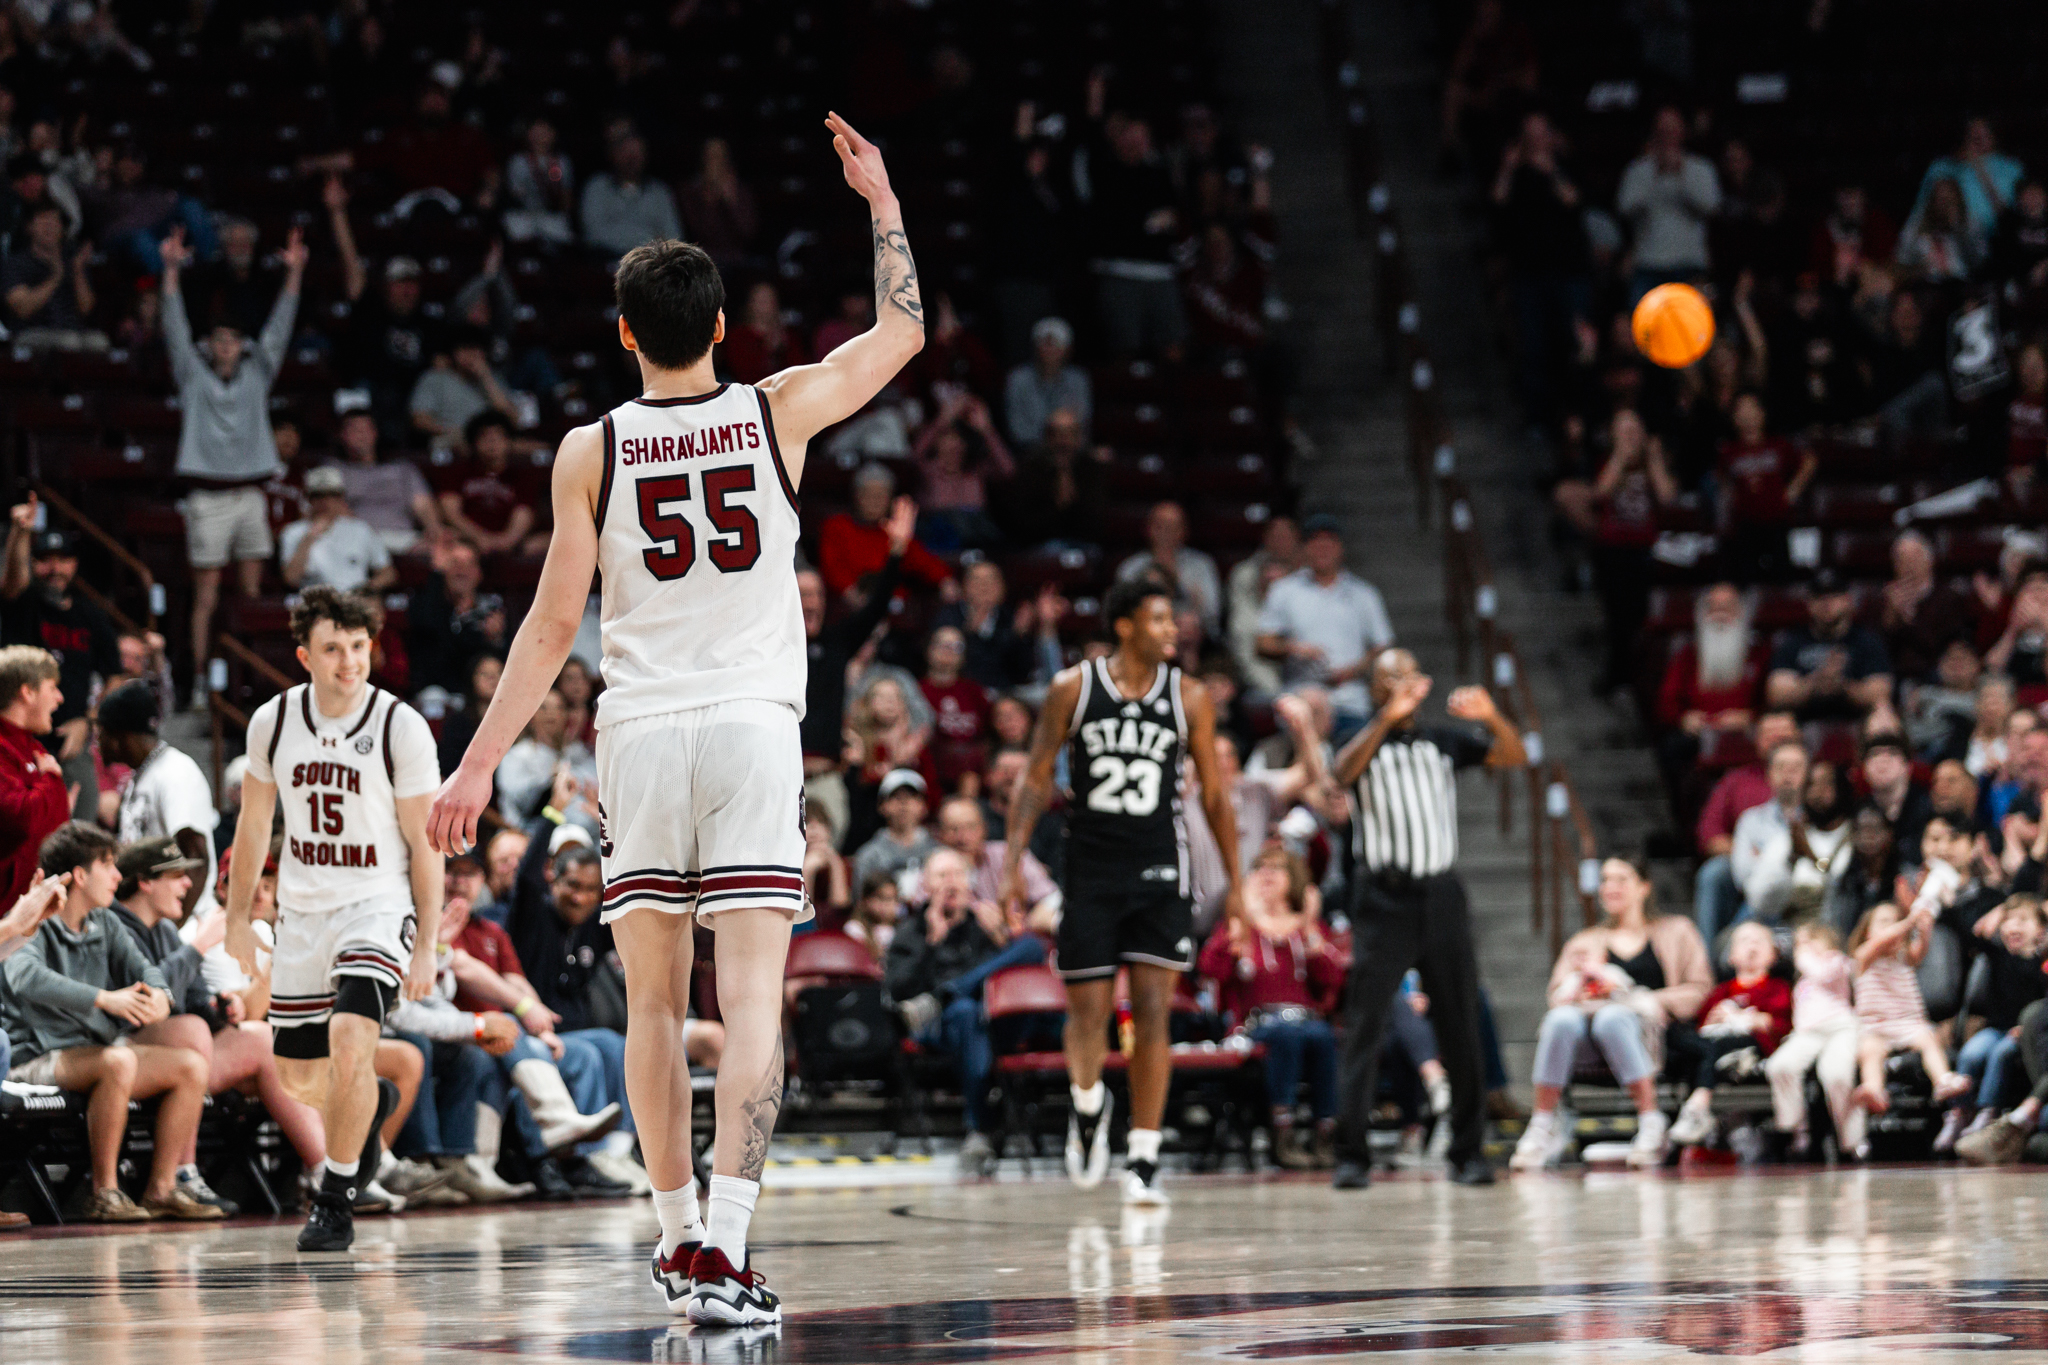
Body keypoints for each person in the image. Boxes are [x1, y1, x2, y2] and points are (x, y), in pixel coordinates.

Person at [427, 112, 926, 1327]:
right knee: (748, 1001)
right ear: (719, 330)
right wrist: (879, 202)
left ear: (622, 334)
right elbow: (903, 333)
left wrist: (476, 766)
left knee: (652, 1004)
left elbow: (550, 627)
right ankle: (730, 1249)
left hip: (639, 736)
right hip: (749, 729)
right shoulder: (773, 410)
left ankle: (677, 1239)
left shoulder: (587, 450)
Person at [1001, 578, 1244, 1207]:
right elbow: (1035, 778)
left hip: (1160, 866)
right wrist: (1011, 863)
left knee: (1154, 1012)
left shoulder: (1189, 695)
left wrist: (1237, 884)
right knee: (1089, 1013)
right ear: (1127, 625)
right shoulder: (1073, 688)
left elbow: (1215, 796)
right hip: (1090, 869)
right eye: (1160, 619)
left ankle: (1143, 1155)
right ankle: (1088, 1106)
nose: (1173, 630)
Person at [222, 587, 444, 1252]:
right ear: (303, 656)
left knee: (352, 1037)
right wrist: (237, 917)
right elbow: (253, 824)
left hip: (376, 906)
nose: (349, 661)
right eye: (332, 649)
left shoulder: (400, 725)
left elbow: (424, 842)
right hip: (302, 912)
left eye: (357, 646)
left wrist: (427, 943)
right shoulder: (273, 722)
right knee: (299, 1075)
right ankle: (367, 1102)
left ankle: (336, 1198)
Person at [1323, 649, 1527, 1187]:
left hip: (1439, 896)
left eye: (1408, 674)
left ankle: (1468, 1151)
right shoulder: (1361, 741)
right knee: (1365, 1023)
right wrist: (1383, 720)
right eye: (1388, 677)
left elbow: (1512, 755)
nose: (1400, 684)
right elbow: (1341, 774)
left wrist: (1491, 716)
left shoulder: (1441, 742)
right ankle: (1351, 1155)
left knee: (1460, 1020)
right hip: (1382, 898)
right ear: (1374, 689)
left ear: (1422, 682)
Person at [1, 822, 219, 1220]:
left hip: (91, 1054)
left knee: (191, 1067)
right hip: (34, 1056)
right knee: (118, 1061)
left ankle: (161, 1189)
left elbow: (145, 969)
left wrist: (160, 997)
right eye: (108, 865)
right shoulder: (36, 919)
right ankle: (104, 1192)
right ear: (81, 875)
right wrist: (103, 999)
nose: (119, 876)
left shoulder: (106, 922)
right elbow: (23, 977)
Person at [108, 835, 327, 1213]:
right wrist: (197, 947)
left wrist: (223, 1009)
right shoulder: (114, 926)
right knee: (192, 1030)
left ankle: (324, 1174)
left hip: (181, 1056)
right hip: (122, 1056)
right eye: (176, 875)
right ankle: (182, 1173)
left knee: (262, 1037)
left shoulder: (163, 930)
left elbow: (194, 1001)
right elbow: (145, 1000)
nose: (188, 884)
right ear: (145, 882)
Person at [161, 224, 307, 694]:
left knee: (252, 594)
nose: (225, 345)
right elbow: (174, 328)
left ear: (242, 345)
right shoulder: (192, 374)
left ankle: (251, 680)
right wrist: (170, 270)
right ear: (208, 344)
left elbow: (279, 329)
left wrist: (295, 273)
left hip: (250, 494)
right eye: (218, 339)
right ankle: (201, 683)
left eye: (233, 339)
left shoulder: (257, 373)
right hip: (207, 496)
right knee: (205, 595)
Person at [1509, 856, 1712, 1171]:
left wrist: (1647, 1000)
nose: (1610, 887)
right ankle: (1542, 1124)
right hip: (1588, 1041)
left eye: (1621, 879)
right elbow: (1557, 994)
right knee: (1560, 1020)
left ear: (1643, 887)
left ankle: (1651, 1120)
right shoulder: (1584, 941)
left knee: (1613, 1018)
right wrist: (1577, 993)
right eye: (1605, 879)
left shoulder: (1678, 931)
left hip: (1651, 1037)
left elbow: (1700, 988)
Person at [884, 846, 1052, 1177]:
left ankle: (947, 994)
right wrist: (931, 944)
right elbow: (898, 991)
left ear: (970, 883)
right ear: (925, 886)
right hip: (937, 1025)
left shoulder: (983, 924)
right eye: (942, 876)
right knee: (965, 1011)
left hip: (995, 1017)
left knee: (1032, 945)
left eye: (958, 874)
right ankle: (980, 1127)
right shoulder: (912, 930)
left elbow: (1016, 964)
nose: (951, 883)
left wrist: (1001, 936)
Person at [1197, 847, 1345, 1168]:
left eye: (1276, 868)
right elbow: (1210, 970)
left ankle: (1325, 1133)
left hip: (1305, 1019)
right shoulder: (1241, 927)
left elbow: (1332, 980)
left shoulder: (1306, 928)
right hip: (1257, 1023)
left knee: (1324, 1038)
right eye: (1260, 868)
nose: (1267, 874)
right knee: (1285, 1035)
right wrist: (1237, 930)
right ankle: (1283, 1134)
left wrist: (1309, 930)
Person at [0, 514, 119, 817]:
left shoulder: (90, 615)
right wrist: (20, 532)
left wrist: (89, 721)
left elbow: (116, 676)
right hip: (20, 738)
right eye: (45, 560)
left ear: (75, 564)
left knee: (80, 828)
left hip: (71, 743)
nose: (55, 569)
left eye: (63, 559)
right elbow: (12, 583)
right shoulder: (23, 604)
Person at [1848, 900, 1972, 1152]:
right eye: (1884, 922)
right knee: (1870, 1051)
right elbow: (1880, 942)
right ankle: (1874, 1090)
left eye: (1895, 922)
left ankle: (1943, 1079)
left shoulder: (1903, 957)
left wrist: (1924, 929)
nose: (1893, 928)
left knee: (1928, 1039)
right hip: (1875, 1026)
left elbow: (1920, 951)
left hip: (1908, 1023)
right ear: (1867, 932)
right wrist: (1909, 921)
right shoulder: (1863, 957)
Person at [1254, 513, 1394, 733]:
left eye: (1329, 543)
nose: (1322, 549)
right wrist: (1293, 648)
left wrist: (1354, 669)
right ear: (1304, 548)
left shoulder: (1363, 594)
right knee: (1307, 716)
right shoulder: (1284, 590)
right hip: (1302, 697)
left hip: (1351, 700)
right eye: (1315, 543)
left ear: (1340, 547)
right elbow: (1262, 643)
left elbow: (1382, 645)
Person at [98, 679, 218, 918]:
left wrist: (175, 930)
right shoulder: (143, 775)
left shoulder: (176, 773)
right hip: (152, 920)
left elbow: (196, 858)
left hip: (186, 921)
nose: (98, 741)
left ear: (120, 735)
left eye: (102, 733)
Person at [1666, 922, 1792, 1147]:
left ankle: (1697, 1106)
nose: (1752, 946)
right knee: (1676, 1033)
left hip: (1748, 1042)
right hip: (1713, 1042)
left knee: (1718, 1047)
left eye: (1759, 941)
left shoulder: (1777, 987)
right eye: (1744, 941)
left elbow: (1778, 1025)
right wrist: (1714, 1019)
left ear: (1774, 955)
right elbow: (1702, 1025)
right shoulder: (1721, 991)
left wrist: (1746, 1019)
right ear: (1731, 956)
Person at [1764, 922, 1862, 1158]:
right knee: (1780, 1066)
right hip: (1807, 1034)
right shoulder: (1802, 979)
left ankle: (1853, 1142)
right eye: (1800, 943)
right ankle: (1795, 1130)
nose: (1804, 947)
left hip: (1840, 1028)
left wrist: (1804, 957)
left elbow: (1823, 975)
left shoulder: (1838, 961)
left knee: (1836, 1074)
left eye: (1811, 940)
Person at [1616, 105, 1721, 298]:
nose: (1667, 136)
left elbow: (1711, 207)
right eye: (1662, 130)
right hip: (1648, 263)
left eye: (1672, 129)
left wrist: (1680, 174)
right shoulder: (1638, 169)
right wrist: (1656, 175)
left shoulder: (1701, 168)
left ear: (1683, 131)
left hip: (1689, 262)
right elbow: (1625, 208)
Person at [1765, 570, 1894, 721]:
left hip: (1858, 722)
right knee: (1775, 721)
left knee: (1884, 718)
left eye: (1834, 595)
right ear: (1809, 603)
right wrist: (1816, 682)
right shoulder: (1793, 641)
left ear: (1848, 600)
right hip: (1802, 723)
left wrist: (1842, 685)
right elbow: (1776, 694)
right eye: (1819, 596)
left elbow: (1881, 694)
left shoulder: (1867, 640)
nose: (1827, 603)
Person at [0, 642, 71, 903]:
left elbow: (57, 828)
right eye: (52, 688)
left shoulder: (35, 749)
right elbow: (21, 819)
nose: (60, 698)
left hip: (39, 906)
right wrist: (50, 780)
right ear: (27, 692)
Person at [279, 466, 396, 592]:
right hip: (317, 598)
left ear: (341, 498)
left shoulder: (360, 529)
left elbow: (388, 573)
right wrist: (309, 538)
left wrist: (368, 589)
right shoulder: (293, 532)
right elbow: (291, 579)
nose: (325, 501)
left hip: (355, 597)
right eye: (318, 495)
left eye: (332, 495)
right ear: (308, 498)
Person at [1115, 501, 1222, 636]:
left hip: (1191, 635)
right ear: (1148, 529)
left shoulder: (1201, 565)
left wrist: (1175, 579)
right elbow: (1121, 612)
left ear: (1184, 531)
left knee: (1188, 626)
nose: (1166, 533)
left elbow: (1212, 613)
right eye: (1160, 526)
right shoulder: (1131, 568)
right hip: (1144, 633)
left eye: (1173, 527)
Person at [579, 131, 681, 259]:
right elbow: (593, 235)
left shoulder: (659, 192)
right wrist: (650, 240)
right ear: (612, 155)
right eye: (625, 152)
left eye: (637, 153)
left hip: (650, 264)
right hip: (607, 260)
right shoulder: (597, 188)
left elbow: (674, 237)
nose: (631, 158)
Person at [849, 769, 938, 905]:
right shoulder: (868, 857)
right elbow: (861, 904)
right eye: (896, 797)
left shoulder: (938, 853)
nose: (904, 804)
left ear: (924, 806)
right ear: (882, 806)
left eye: (912, 797)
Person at [1003, 316, 1092, 445]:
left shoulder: (1078, 379)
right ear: (1035, 347)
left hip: (1070, 449)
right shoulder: (1017, 378)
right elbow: (1017, 430)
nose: (1050, 350)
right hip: (1029, 450)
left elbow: (1082, 426)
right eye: (1045, 343)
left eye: (1056, 344)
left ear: (1068, 349)